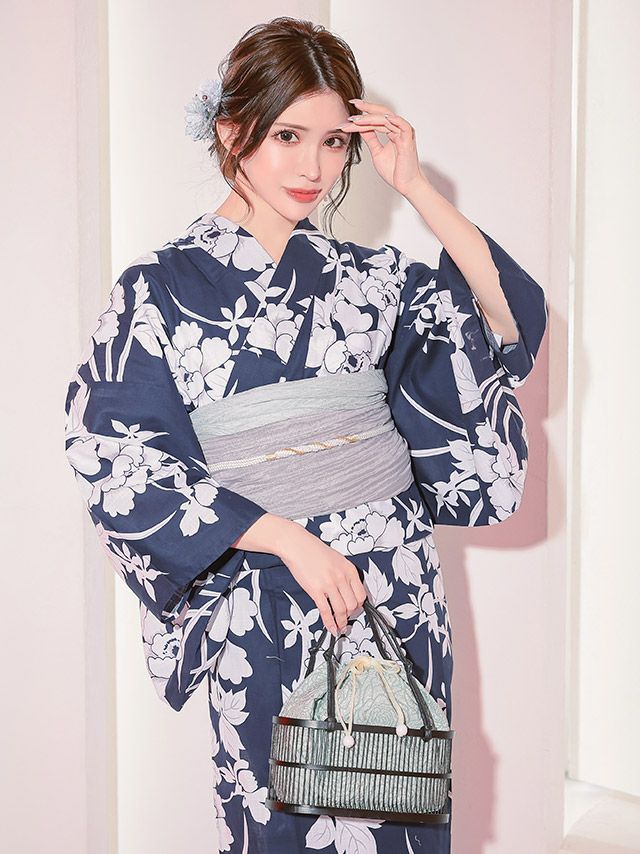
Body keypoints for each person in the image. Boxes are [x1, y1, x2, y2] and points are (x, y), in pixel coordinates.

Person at [63, 15, 548, 854]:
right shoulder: (157, 289)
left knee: (398, 816)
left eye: (333, 142)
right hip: (262, 586)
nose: (314, 168)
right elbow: (112, 454)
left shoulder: (372, 279)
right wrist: (287, 538)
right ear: (232, 130)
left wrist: (419, 189)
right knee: (280, 824)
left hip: (392, 581)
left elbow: (506, 325)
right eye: (288, 136)